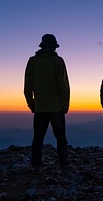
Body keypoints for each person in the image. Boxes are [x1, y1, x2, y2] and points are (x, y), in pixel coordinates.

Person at [24, 33, 70, 172]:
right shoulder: (58, 61)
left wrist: (31, 104)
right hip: (56, 107)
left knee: (38, 137)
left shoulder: (32, 61)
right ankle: (63, 164)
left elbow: (28, 86)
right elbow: (63, 85)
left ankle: (36, 165)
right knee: (61, 137)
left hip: (40, 107)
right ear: (53, 47)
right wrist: (65, 104)